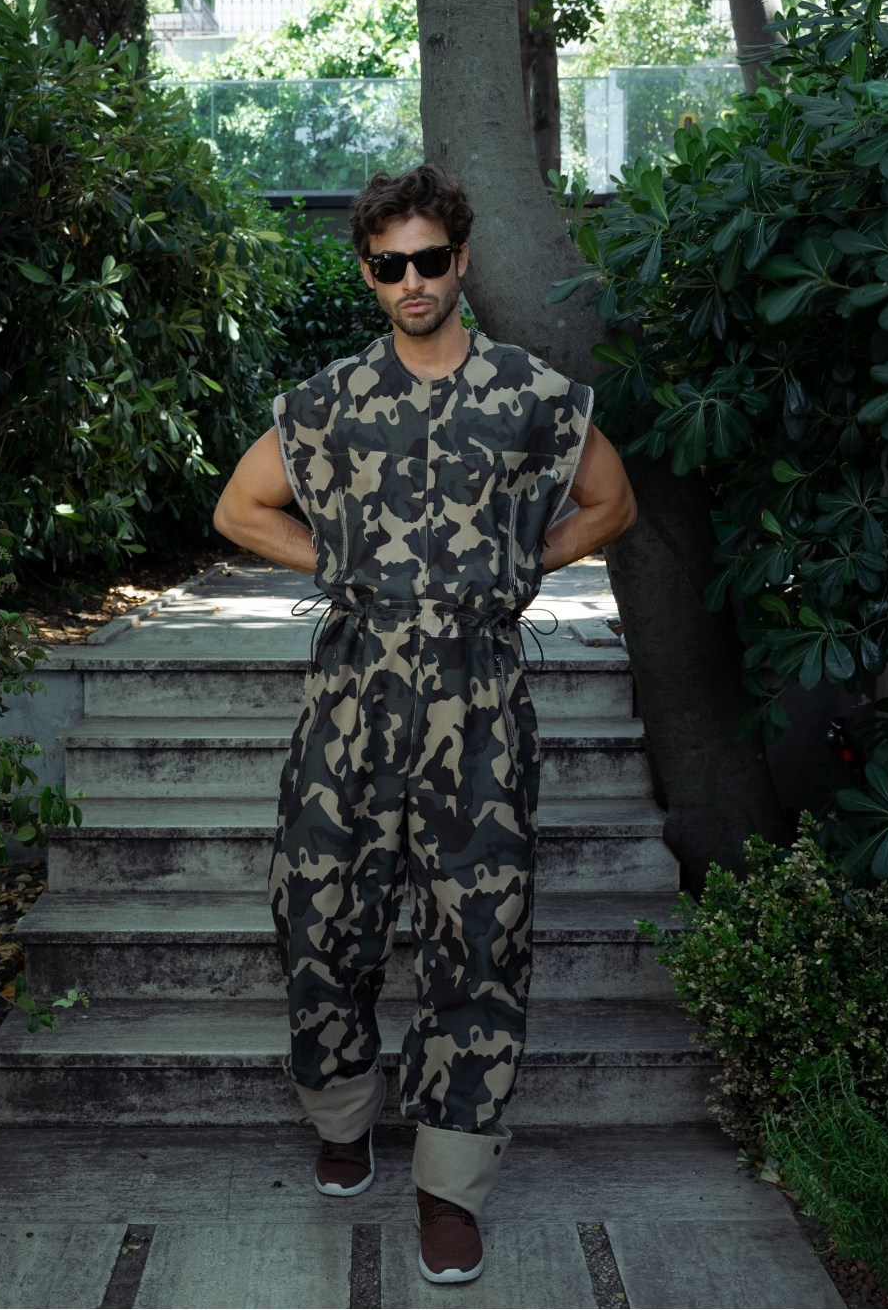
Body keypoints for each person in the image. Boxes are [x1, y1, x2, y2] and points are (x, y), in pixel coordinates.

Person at [213, 163, 636, 1285]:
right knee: (319, 916)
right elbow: (239, 507)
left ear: (462, 259)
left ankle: (449, 1186)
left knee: (479, 939)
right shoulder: (329, 400)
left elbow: (613, 500)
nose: (412, 280)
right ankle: (342, 1113)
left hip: (478, 706)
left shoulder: (529, 392)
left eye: (430, 259)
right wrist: (340, 563)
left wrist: (519, 565)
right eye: (388, 264)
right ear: (368, 272)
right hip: (351, 706)